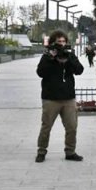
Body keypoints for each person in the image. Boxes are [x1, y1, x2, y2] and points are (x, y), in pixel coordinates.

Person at [35, 30, 85, 163]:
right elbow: (40, 72)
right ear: (53, 44)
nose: (61, 45)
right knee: (46, 126)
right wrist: (51, 58)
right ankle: (41, 151)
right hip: (50, 98)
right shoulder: (47, 57)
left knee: (72, 126)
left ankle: (70, 151)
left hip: (68, 98)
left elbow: (79, 70)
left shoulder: (70, 55)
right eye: (59, 42)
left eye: (63, 42)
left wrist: (69, 59)